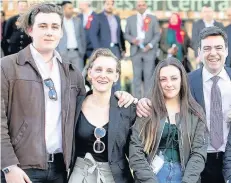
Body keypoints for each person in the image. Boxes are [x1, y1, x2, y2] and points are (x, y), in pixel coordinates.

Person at [0, 3, 136, 183]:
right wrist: (9, 166)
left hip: (61, 170)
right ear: (30, 29)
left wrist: (122, 97)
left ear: (61, 33)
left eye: (55, 27)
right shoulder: (8, 67)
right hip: (22, 169)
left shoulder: (72, 73)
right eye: (43, 26)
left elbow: (90, 104)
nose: (49, 32)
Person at [136, 26, 231, 183]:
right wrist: (142, 101)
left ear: (227, 50)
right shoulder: (185, 81)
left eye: (218, 48)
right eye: (207, 48)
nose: (213, 53)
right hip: (198, 160)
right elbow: (161, 97)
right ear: (199, 52)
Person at [129, 57, 208, 183]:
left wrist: (187, 181)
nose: (169, 84)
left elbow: (199, 153)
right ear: (157, 82)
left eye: (174, 78)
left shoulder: (195, 112)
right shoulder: (147, 109)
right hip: (151, 177)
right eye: (163, 79)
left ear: (182, 80)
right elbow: (136, 151)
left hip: (184, 177)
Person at [69, 49, 136, 183]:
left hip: (115, 177)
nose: (103, 75)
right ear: (89, 73)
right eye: (98, 69)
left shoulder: (127, 108)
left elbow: (136, 152)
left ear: (116, 76)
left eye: (109, 71)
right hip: (80, 176)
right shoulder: (74, 104)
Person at [125, 0, 161, 98]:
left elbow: (157, 34)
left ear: (146, 6)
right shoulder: (130, 19)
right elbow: (126, 34)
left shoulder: (153, 18)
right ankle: (135, 101)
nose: (141, 7)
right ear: (136, 7)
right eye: (139, 5)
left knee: (148, 77)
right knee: (136, 78)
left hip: (149, 51)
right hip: (135, 51)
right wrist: (133, 40)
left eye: (143, 5)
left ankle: (147, 101)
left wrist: (150, 45)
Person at [57, 1, 86, 71]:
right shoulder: (58, 22)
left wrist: (82, 51)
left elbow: (83, 37)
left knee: (79, 76)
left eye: (72, 8)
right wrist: (58, 53)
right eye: (69, 8)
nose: (72, 10)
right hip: (63, 54)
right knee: (64, 77)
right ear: (63, 9)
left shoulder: (78, 21)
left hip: (77, 54)